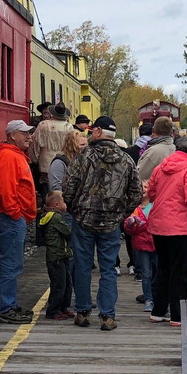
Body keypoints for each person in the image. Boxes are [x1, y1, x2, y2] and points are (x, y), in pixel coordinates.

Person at [64, 116, 143, 332]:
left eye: (92, 131)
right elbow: (136, 192)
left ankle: (82, 312)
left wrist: (74, 209)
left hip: (83, 220)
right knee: (108, 269)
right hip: (110, 222)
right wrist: (121, 213)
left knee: (82, 267)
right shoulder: (125, 159)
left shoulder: (83, 157)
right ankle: (107, 315)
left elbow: (68, 187)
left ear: (98, 132)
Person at [145, 136, 187, 326]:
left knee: (163, 268)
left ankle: (158, 311)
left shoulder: (160, 168)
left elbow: (151, 193)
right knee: (179, 271)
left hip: (158, 224)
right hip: (179, 226)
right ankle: (177, 315)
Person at [0, 119, 38, 324]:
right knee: (11, 263)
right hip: (9, 217)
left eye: (29, 133)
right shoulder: (9, 156)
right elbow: (6, 191)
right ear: (12, 135)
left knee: (12, 262)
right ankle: (7, 308)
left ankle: (10, 305)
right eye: (24, 133)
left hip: (11, 217)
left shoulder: (13, 155)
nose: (29, 137)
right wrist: (16, 214)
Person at [38, 191, 74, 320]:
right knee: (59, 284)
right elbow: (68, 232)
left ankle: (63, 307)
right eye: (63, 201)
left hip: (60, 255)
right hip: (56, 256)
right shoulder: (56, 217)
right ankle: (53, 310)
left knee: (66, 283)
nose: (65, 204)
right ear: (57, 204)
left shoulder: (50, 216)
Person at [30, 103, 73, 202]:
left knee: (45, 186)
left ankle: (47, 204)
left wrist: (34, 158)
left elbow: (35, 143)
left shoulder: (43, 125)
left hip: (45, 163)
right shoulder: (68, 127)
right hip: (63, 162)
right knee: (60, 185)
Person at [123, 202, 154, 311]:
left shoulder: (157, 205)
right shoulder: (136, 210)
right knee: (146, 274)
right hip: (142, 245)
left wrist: (142, 224)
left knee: (158, 273)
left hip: (156, 243)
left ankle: (157, 296)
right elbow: (129, 229)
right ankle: (148, 298)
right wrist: (131, 224)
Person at [136, 116, 176, 184]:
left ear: (153, 130)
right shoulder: (176, 149)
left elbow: (138, 177)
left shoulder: (152, 152)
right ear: (171, 132)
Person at [48, 130, 87, 194]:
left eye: (86, 144)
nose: (86, 147)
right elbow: (55, 188)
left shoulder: (84, 160)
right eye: (82, 145)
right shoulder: (58, 163)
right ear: (72, 146)